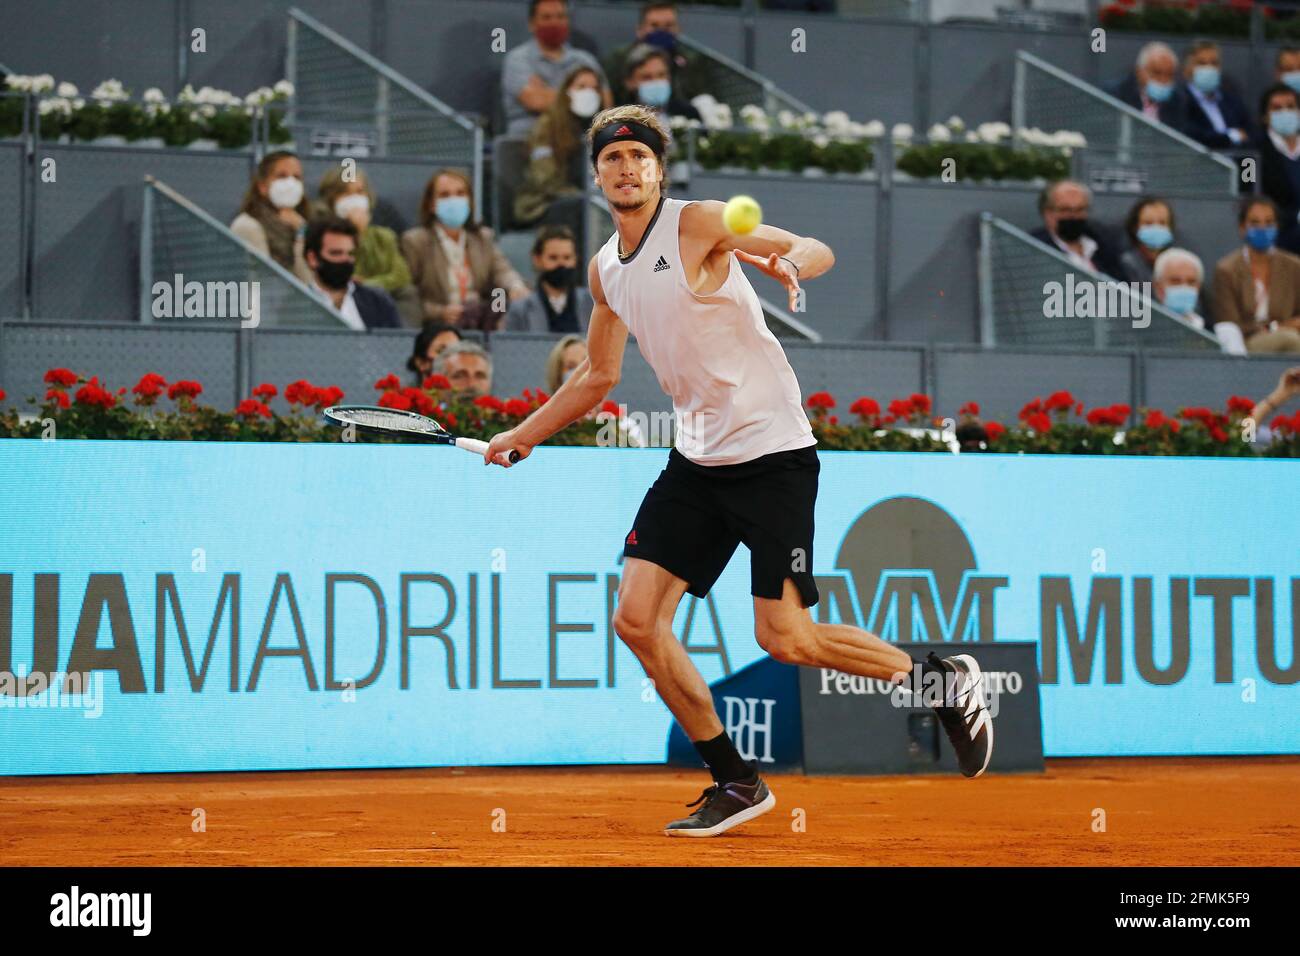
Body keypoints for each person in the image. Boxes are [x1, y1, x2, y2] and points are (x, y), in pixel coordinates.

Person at [482, 105, 994, 837]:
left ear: (659, 170)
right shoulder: (604, 272)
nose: (627, 169)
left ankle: (939, 679)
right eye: (613, 160)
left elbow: (811, 247)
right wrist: (523, 434)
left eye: (640, 158)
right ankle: (735, 779)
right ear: (595, 175)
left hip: (773, 455)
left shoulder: (699, 224)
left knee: (784, 637)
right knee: (635, 619)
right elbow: (597, 375)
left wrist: (790, 261)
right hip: (695, 462)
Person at [401, 168, 530, 329]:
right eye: (445, 195)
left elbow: (502, 271)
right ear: (431, 205)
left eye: (460, 193)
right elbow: (407, 295)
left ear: (469, 201)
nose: (454, 200)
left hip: (479, 320)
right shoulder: (415, 241)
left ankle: (496, 334)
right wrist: (440, 312)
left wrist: (515, 286)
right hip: (438, 325)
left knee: (502, 295)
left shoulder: (483, 238)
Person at [314, 165, 420, 326]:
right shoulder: (320, 236)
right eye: (346, 193)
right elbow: (344, 275)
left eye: (359, 191)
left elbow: (401, 276)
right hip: (344, 305)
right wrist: (355, 233)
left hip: (383, 305)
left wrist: (368, 284)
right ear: (330, 198)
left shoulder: (383, 236)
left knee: (408, 293)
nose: (355, 199)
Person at [501, 0, 611, 137]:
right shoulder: (518, 59)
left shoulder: (585, 60)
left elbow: (605, 103)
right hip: (527, 140)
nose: (554, 23)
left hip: (578, 138)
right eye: (547, 17)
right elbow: (535, 100)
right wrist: (584, 98)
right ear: (532, 24)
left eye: (560, 17)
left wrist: (547, 92)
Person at [513, 66, 601, 237]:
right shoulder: (548, 126)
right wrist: (583, 195)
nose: (589, 93)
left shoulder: (602, 127)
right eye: (581, 87)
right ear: (566, 91)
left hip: (588, 197)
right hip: (542, 203)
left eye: (594, 88)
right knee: (582, 206)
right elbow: (544, 179)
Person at [1211, 197, 1300, 354]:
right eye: (1255, 222)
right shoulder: (1226, 269)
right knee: (1289, 339)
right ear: (1242, 227)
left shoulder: (1294, 266)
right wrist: (1274, 328)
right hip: (1245, 343)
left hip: (1290, 335)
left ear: (1277, 226)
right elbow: (1228, 323)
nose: (1262, 228)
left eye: (1269, 222)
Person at [544, 334, 648, 446]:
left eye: (587, 364)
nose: (580, 372)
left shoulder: (625, 426)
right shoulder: (547, 428)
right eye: (571, 367)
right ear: (558, 378)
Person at [604, 1, 710, 106]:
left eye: (668, 25)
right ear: (640, 30)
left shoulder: (691, 60)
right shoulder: (620, 58)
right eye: (654, 25)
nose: (662, 31)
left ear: (678, 29)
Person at [304, 217, 401, 330]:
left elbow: (396, 343)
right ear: (313, 259)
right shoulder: (296, 305)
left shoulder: (378, 301)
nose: (345, 260)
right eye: (336, 253)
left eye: (350, 253)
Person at [231, 150, 313, 284]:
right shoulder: (248, 226)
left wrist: (301, 231)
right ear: (262, 186)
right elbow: (260, 281)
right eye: (282, 176)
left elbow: (311, 282)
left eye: (297, 177)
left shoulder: (303, 222)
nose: (290, 183)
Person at [504, 225, 593, 332]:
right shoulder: (520, 310)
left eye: (567, 257)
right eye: (553, 258)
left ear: (575, 259)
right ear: (537, 259)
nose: (561, 264)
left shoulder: (592, 303)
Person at [1031, 180, 1126, 280]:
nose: (1073, 216)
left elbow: (1124, 285)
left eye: (1080, 209)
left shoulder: (1102, 243)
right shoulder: (1034, 248)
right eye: (1065, 210)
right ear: (1047, 213)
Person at [1179, 40, 1252, 152]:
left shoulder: (1232, 101)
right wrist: (1232, 136)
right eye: (1201, 63)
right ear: (1186, 70)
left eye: (1214, 63)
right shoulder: (1180, 101)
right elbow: (1195, 137)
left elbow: (1251, 133)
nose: (1209, 68)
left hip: (1240, 165)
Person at [1255, 83, 1300, 256]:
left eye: (1290, 106)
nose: (1285, 112)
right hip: (1278, 235)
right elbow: (1249, 195)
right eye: (1277, 108)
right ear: (1266, 116)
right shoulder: (1250, 153)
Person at [619, 43, 702, 124]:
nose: (656, 81)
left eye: (661, 75)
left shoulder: (689, 113)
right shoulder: (623, 122)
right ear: (629, 82)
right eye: (647, 77)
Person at [1111, 42, 1185, 129]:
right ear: (1139, 72)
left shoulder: (1177, 100)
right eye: (1157, 73)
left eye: (1169, 75)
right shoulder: (1116, 94)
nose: (1163, 80)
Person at [1120, 195, 1176, 284]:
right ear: (1135, 227)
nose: (1156, 228)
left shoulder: (1177, 264)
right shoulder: (1127, 264)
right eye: (1148, 223)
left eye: (1162, 223)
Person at [1151, 247, 1208, 330]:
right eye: (1175, 281)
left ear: (1199, 287)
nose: (1184, 287)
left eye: (1191, 282)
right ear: (1158, 286)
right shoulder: (1143, 328)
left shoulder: (1208, 332)